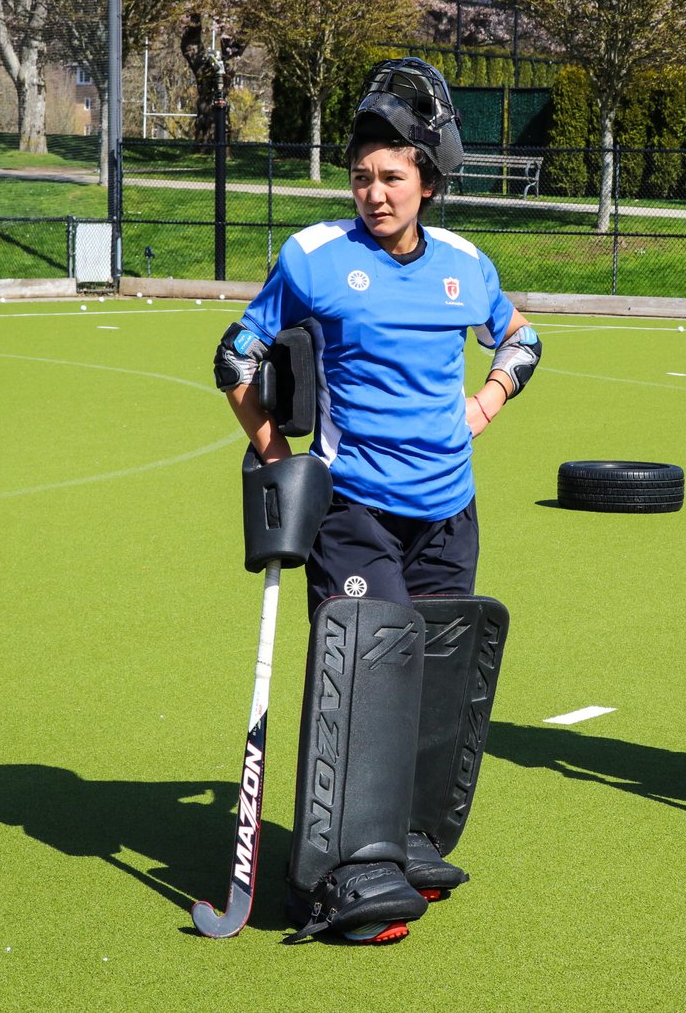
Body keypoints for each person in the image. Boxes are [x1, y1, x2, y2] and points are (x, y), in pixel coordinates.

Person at [212, 58, 541, 941]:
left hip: (448, 507)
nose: (373, 192)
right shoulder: (314, 260)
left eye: (392, 176)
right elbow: (234, 359)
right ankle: (346, 870)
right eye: (361, 176)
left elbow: (522, 337)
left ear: (428, 181)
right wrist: (281, 459)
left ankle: (404, 838)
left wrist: (487, 401)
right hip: (353, 508)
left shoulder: (468, 267)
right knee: (369, 673)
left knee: (435, 679)